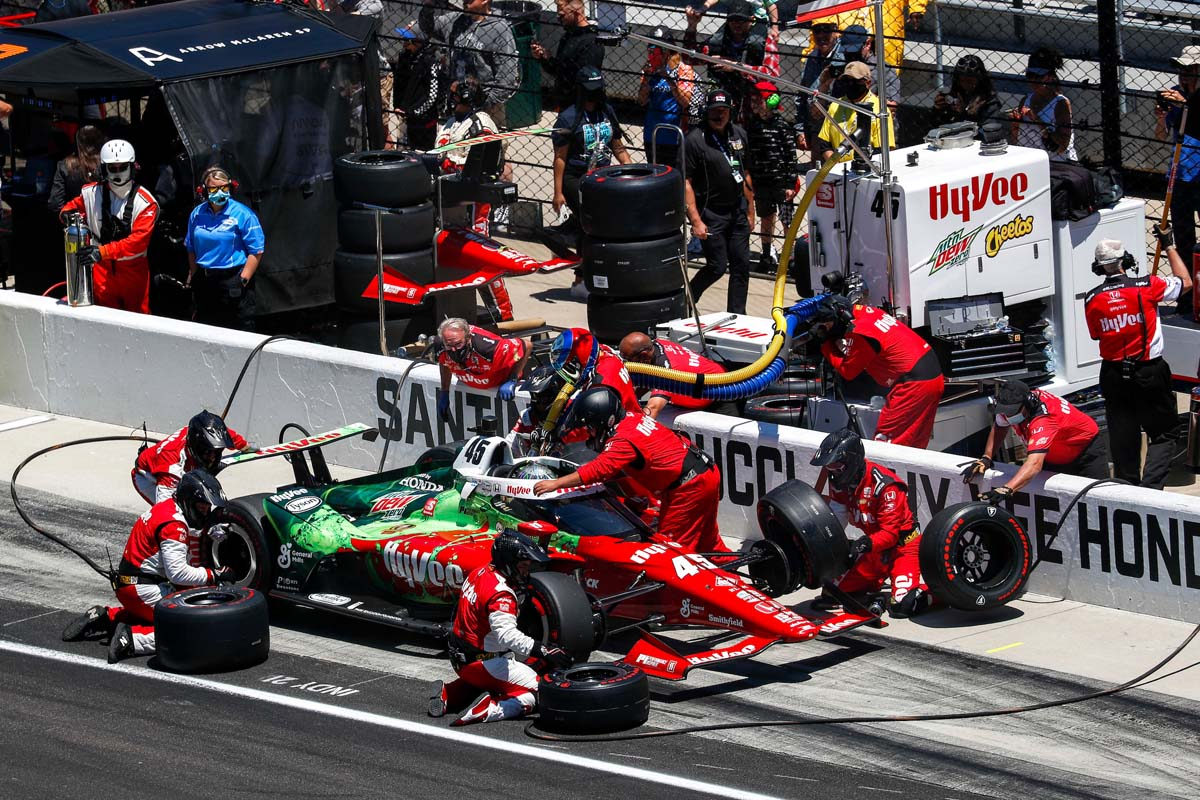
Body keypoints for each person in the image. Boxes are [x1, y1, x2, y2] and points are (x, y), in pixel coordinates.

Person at [61, 470, 232, 663]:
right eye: (202, 507)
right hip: (142, 589)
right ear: (188, 501)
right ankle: (133, 639)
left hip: (129, 584)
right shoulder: (174, 526)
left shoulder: (167, 507)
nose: (205, 513)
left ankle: (108, 617)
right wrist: (214, 574)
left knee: (178, 600)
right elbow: (177, 574)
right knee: (193, 625)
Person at [533, 386, 728, 553]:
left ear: (604, 421)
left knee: (672, 552)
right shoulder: (632, 418)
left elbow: (598, 470)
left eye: (590, 427)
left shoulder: (622, 440)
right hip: (703, 473)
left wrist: (556, 484)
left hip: (689, 487)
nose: (590, 433)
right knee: (709, 544)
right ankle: (736, 578)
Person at [429, 531, 572, 726]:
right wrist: (544, 650)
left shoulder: (479, 572)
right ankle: (488, 708)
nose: (526, 572)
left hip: (460, 657)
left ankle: (450, 693)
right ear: (508, 562)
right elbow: (507, 636)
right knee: (542, 693)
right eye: (523, 566)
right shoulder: (501, 593)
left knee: (501, 674)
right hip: (483, 662)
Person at [1083, 233, 1191, 489]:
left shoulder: (1091, 298)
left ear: (1099, 267)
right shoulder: (1146, 285)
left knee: (1123, 437)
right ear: (1126, 261)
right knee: (1164, 433)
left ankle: (1127, 490)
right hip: (1149, 370)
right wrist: (1169, 246)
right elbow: (1185, 282)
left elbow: (1095, 334)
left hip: (1112, 374)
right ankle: (1151, 490)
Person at [809, 428, 931, 617]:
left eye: (836, 466)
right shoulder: (840, 484)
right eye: (829, 467)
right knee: (832, 593)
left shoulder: (886, 487)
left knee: (903, 606)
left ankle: (938, 591)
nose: (831, 472)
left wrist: (862, 545)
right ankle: (875, 588)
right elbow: (837, 519)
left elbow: (890, 535)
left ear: (851, 462)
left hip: (902, 548)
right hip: (875, 550)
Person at [808, 295, 944, 448]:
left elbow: (847, 371)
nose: (827, 329)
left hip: (914, 385)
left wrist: (825, 344)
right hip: (933, 376)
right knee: (914, 447)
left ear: (841, 317)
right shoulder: (867, 312)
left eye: (828, 324)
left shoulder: (861, 332)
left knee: (884, 448)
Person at [434, 78, 514, 321]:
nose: (450, 99)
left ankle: (502, 313)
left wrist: (446, 163)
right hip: (449, 198)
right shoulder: (452, 121)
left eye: (454, 95)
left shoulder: (482, 124)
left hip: (473, 202)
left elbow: (482, 165)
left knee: (481, 257)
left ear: (466, 97)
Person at [962, 379, 1108, 504]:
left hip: (1086, 452)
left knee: (1099, 500)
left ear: (1028, 403)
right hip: (1053, 455)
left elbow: (1034, 464)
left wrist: (1007, 489)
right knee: (1054, 502)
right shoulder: (1011, 405)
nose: (1007, 416)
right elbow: (1000, 426)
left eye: (1012, 412)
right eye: (1005, 411)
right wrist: (986, 458)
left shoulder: (1044, 420)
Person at [58, 139, 157, 314]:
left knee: (139, 321)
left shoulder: (146, 203)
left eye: (122, 167)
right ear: (104, 169)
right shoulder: (90, 193)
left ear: (132, 167)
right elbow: (69, 208)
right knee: (104, 319)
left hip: (132, 271)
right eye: (113, 168)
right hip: (101, 271)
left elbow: (137, 243)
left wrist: (102, 252)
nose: (118, 172)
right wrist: (66, 216)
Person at [685, 89, 756, 315]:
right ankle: (687, 300)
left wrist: (751, 210)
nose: (719, 115)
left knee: (741, 266)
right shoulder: (695, 140)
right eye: (714, 111)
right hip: (710, 213)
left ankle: (737, 314)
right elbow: (685, 182)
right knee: (716, 266)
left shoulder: (739, 135)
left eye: (723, 111)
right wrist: (695, 220)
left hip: (737, 210)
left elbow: (745, 173)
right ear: (707, 112)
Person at [551, 66, 631, 245]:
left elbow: (618, 148)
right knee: (592, 217)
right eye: (591, 90)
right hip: (576, 176)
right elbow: (560, 157)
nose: (595, 94)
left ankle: (579, 234)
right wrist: (558, 193)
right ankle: (582, 247)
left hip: (602, 174)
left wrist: (630, 171)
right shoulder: (568, 117)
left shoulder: (607, 111)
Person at [184, 166, 265, 332]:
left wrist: (242, 280)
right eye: (214, 189)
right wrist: (195, 274)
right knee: (206, 331)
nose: (219, 193)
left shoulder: (243, 214)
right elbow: (191, 247)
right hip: (206, 282)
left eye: (224, 188)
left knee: (238, 331)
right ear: (204, 191)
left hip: (233, 281)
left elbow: (256, 251)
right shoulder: (196, 214)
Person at [684, 1, 780, 122]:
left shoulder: (765, 39)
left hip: (752, 105)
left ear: (751, 20)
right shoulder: (720, 39)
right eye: (732, 20)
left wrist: (736, 67)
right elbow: (689, 59)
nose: (736, 24)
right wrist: (692, 26)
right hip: (723, 100)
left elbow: (772, 75)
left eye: (741, 20)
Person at [1158, 45, 1200, 317]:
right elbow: (1162, 135)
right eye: (1181, 69)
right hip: (1180, 175)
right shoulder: (1175, 94)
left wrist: (1187, 105)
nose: (1184, 75)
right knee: (1184, 238)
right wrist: (1162, 117)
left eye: (1190, 70)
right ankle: (1186, 298)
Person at [132, 410, 250, 505]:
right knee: (182, 512)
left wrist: (246, 446)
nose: (213, 458)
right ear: (196, 446)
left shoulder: (200, 430)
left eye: (217, 451)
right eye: (208, 452)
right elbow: (164, 508)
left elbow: (226, 434)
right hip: (147, 478)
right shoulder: (172, 465)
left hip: (174, 463)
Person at [745, 80, 798, 271]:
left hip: (782, 183)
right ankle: (766, 254)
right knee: (766, 217)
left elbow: (791, 156)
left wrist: (790, 183)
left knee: (787, 220)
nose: (754, 104)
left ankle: (790, 256)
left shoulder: (782, 125)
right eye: (752, 100)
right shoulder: (753, 125)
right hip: (762, 182)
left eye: (758, 100)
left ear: (771, 101)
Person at [434, 317, 530, 421]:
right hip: (476, 387)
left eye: (458, 344)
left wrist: (512, 379)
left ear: (468, 338)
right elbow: (444, 362)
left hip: (502, 386)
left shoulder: (488, 348)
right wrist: (445, 391)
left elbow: (527, 345)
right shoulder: (440, 345)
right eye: (449, 345)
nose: (454, 350)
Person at [619, 332, 725, 418]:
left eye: (628, 360)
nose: (627, 363)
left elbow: (653, 408)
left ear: (643, 355)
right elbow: (646, 381)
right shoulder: (655, 345)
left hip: (719, 395)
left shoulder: (666, 372)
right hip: (712, 374)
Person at [638, 27, 698, 168]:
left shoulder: (682, 69)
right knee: (654, 172)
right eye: (649, 49)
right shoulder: (649, 69)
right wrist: (646, 79)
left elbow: (685, 102)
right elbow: (642, 101)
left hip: (674, 135)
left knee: (674, 173)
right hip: (652, 133)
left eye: (655, 50)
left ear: (666, 51)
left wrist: (668, 78)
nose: (651, 54)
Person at [531, 0, 604, 111]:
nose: (559, 19)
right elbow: (559, 71)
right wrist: (544, 58)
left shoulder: (591, 41)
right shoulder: (568, 36)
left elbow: (590, 81)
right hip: (565, 102)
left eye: (562, 15)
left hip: (581, 105)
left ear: (576, 13)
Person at [816, 61, 896, 163]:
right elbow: (824, 143)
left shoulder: (880, 111)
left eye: (855, 81)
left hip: (867, 167)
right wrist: (835, 165)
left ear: (867, 83)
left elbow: (883, 150)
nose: (850, 84)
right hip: (837, 167)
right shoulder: (836, 105)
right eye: (846, 80)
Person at [549, 327, 641, 414]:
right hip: (629, 411)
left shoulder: (599, 383)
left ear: (580, 359)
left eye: (569, 366)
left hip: (622, 420)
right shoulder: (603, 351)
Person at [1008, 46, 1077, 162]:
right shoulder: (1025, 100)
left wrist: (1037, 119)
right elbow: (1016, 141)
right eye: (1030, 75)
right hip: (1030, 160)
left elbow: (1062, 146)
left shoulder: (1061, 104)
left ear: (1050, 77)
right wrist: (1015, 124)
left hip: (1058, 163)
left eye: (1038, 77)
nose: (1033, 80)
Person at [392, 23, 445, 151]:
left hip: (423, 119)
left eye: (407, 41)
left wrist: (413, 112)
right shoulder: (406, 57)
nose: (404, 44)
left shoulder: (430, 61)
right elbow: (400, 83)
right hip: (406, 116)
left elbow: (432, 96)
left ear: (418, 42)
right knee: (404, 150)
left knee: (422, 152)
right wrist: (399, 106)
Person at [797, 20, 844, 164]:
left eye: (826, 30)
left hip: (840, 123)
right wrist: (800, 130)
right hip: (816, 124)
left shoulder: (844, 56)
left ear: (835, 32)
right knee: (818, 170)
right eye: (817, 31)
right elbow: (802, 96)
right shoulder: (812, 58)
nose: (821, 35)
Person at [47, 125, 106, 214]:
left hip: (76, 218)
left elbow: (55, 203)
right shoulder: (108, 164)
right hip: (103, 216)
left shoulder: (65, 165)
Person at [932, 54, 1001, 129]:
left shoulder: (989, 101)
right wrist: (937, 109)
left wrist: (967, 115)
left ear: (980, 79)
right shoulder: (956, 95)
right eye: (962, 80)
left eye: (969, 81)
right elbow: (938, 124)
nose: (965, 85)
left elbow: (989, 130)